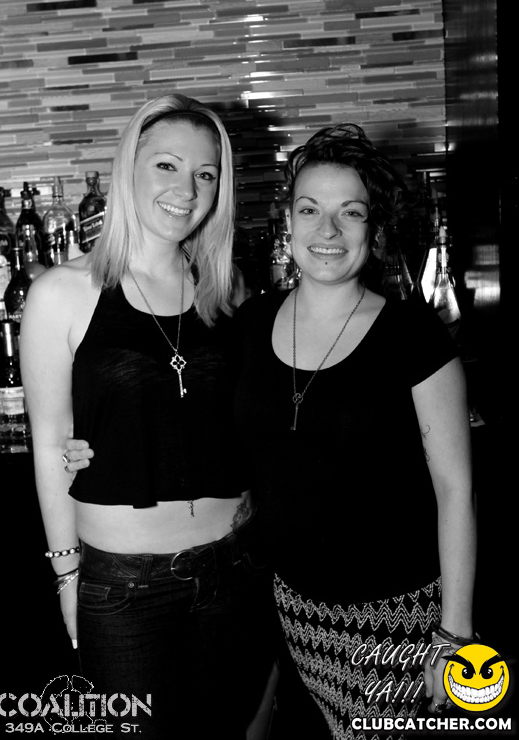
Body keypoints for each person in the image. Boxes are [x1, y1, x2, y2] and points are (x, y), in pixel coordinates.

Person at [65, 123, 477, 738]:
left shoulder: (412, 335)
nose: (327, 231)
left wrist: (455, 632)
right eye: (310, 210)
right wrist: (93, 443)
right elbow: (190, 403)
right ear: (288, 221)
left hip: (397, 615)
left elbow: (456, 490)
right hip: (285, 609)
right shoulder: (251, 320)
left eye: (350, 212)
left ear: (374, 228)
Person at [19, 93, 275, 740]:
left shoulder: (228, 290)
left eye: (205, 173)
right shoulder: (61, 294)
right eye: (166, 165)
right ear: (127, 168)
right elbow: (50, 443)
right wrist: (66, 573)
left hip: (234, 569)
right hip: (123, 586)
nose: (186, 190)